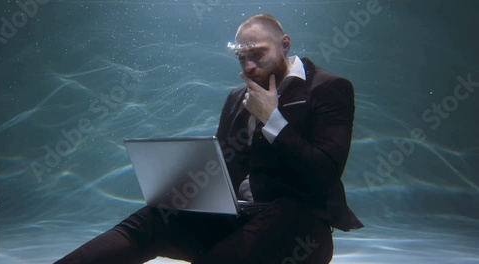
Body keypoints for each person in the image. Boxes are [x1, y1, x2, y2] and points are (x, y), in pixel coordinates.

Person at [55, 13, 363, 264]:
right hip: (240, 217)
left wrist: (272, 120)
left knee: (280, 214)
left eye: (257, 55)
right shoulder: (236, 98)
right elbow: (226, 168)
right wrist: (188, 187)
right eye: (242, 58)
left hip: (301, 228)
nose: (249, 66)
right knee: (154, 218)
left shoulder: (328, 88)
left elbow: (325, 173)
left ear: (285, 44)